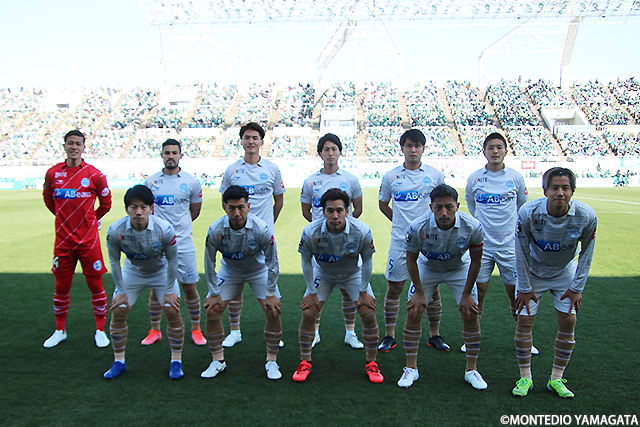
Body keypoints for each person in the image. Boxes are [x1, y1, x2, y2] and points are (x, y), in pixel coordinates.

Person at [511, 167, 597, 398]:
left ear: (572, 191)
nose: (560, 192)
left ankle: (556, 378)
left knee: (569, 321)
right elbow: (520, 250)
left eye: (565, 188)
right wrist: (525, 288)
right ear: (545, 190)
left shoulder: (586, 215)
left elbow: (587, 253)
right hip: (534, 271)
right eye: (554, 187)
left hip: (564, 273)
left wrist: (576, 288)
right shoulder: (528, 212)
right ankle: (525, 377)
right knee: (524, 321)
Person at [397, 184, 487, 390]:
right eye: (438, 207)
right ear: (431, 208)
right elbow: (411, 260)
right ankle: (411, 368)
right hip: (428, 266)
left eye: (449, 207)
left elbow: (476, 262)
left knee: (470, 313)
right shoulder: (418, 227)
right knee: (414, 311)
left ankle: (472, 370)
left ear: (458, 206)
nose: (444, 213)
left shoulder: (473, 226)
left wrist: (467, 294)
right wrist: (419, 292)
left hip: (458, 268)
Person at [293, 188, 383, 383]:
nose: (335, 216)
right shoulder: (311, 231)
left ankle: (372, 363)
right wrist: (311, 291)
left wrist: (363, 291)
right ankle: (305, 362)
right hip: (323, 273)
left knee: (368, 312)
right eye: (330, 211)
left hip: (352, 273)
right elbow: (306, 261)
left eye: (340, 210)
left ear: (347, 211)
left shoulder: (361, 230)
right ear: (323, 212)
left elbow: (367, 260)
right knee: (309, 312)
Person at [463, 133, 538, 354]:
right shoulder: (475, 178)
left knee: (516, 293)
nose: (495, 151)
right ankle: (472, 338)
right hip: (483, 246)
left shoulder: (515, 177)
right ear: (484, 151)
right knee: (478, 291)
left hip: (510, 246)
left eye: (499, 147)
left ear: (506, 151)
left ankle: (525, 338)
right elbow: (472, 206)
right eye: (490, 147)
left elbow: (521, 206)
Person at [201, 185, 283, 380]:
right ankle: (218, 360)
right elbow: (209, 262)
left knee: (273, 310)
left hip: (258, 270)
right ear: (225, 207)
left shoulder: (261, 229)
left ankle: (272, 361)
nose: (236, 213)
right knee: (212, 310)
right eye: (231, 208)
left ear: (248, 206)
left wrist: (271, 293)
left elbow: (273, 263)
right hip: (230, 270)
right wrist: (214, 292)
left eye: (241, 207)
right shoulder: (215, 229)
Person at [378, 129, 449, 352]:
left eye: (417, 145)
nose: (413, 149)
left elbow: (442, 205)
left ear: (423, 148)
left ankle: (434, 334)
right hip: (400, 242)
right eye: (409, 145)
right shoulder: (391, 176)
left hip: (429, 243)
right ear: (402, 148)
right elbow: (383, 204)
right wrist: (401, 223)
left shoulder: (435, 175)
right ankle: (389, 335)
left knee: (433, 289)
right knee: (394, 288)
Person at [103, 185, 184, 380]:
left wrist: (169, 290)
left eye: (143, 207)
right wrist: (121, 290)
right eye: (133, 207)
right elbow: (114, 262)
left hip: (161, 271)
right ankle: (119, 361)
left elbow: (173, 261)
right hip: (133, 271)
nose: (138, 212)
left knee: (172, 310)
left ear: (151, 209)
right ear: (126, 209)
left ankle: (176, 361)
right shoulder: (115, 230)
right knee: (119, 309)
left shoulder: (164, 229)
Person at [42, 130, 111, 348]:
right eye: (70, 143)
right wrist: (64, 219)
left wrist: (90, 220)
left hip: (88, 241)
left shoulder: (94, 174)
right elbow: (48, 199)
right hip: (63, 241)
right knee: (61, 286)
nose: (74, 147)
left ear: (83, 147)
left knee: (96, 284)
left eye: (78, 143)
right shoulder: (53, 173)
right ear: (64, 146)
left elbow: (106, 204)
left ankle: (100, 330)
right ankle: (59, 330)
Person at [219, 122, 285, 348]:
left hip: (263, 238)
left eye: (255, 137)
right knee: (235, 284)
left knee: (269, 287)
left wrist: (267, 225)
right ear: (241, 141)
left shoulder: (272, 169)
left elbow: (278, 200)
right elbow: (225, 201)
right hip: (236, 235)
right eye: (247, 137)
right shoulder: (232, 170)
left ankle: (275, 332)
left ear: (261, 142)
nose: (251, 141)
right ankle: (234, 331)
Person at [300, 133, 367, 349]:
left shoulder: (350, 179)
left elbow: (358, 208)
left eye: (334, 149)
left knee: (348, 292)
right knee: (317, 291)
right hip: (321, 243)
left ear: (340, 152)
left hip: (346, 242)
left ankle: (350, 333)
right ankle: (315, 332)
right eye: (326, 149)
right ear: (320, 153)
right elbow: (306, 210)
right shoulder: (310, 181)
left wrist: (345, 228)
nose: (330, 153)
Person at [142, 139, 205, 346]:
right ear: (162, 155)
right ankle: (154, 330)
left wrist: (179, 229)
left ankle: (196, 329)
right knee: (156, 288)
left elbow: (194, 211)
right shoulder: (151, 182)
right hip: (157, 245)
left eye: (174, 153)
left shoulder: (191, 182)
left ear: (180, 155)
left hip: (183, 244)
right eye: (167, 153)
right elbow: (147, 211)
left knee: (189, 287)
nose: (170, 156)